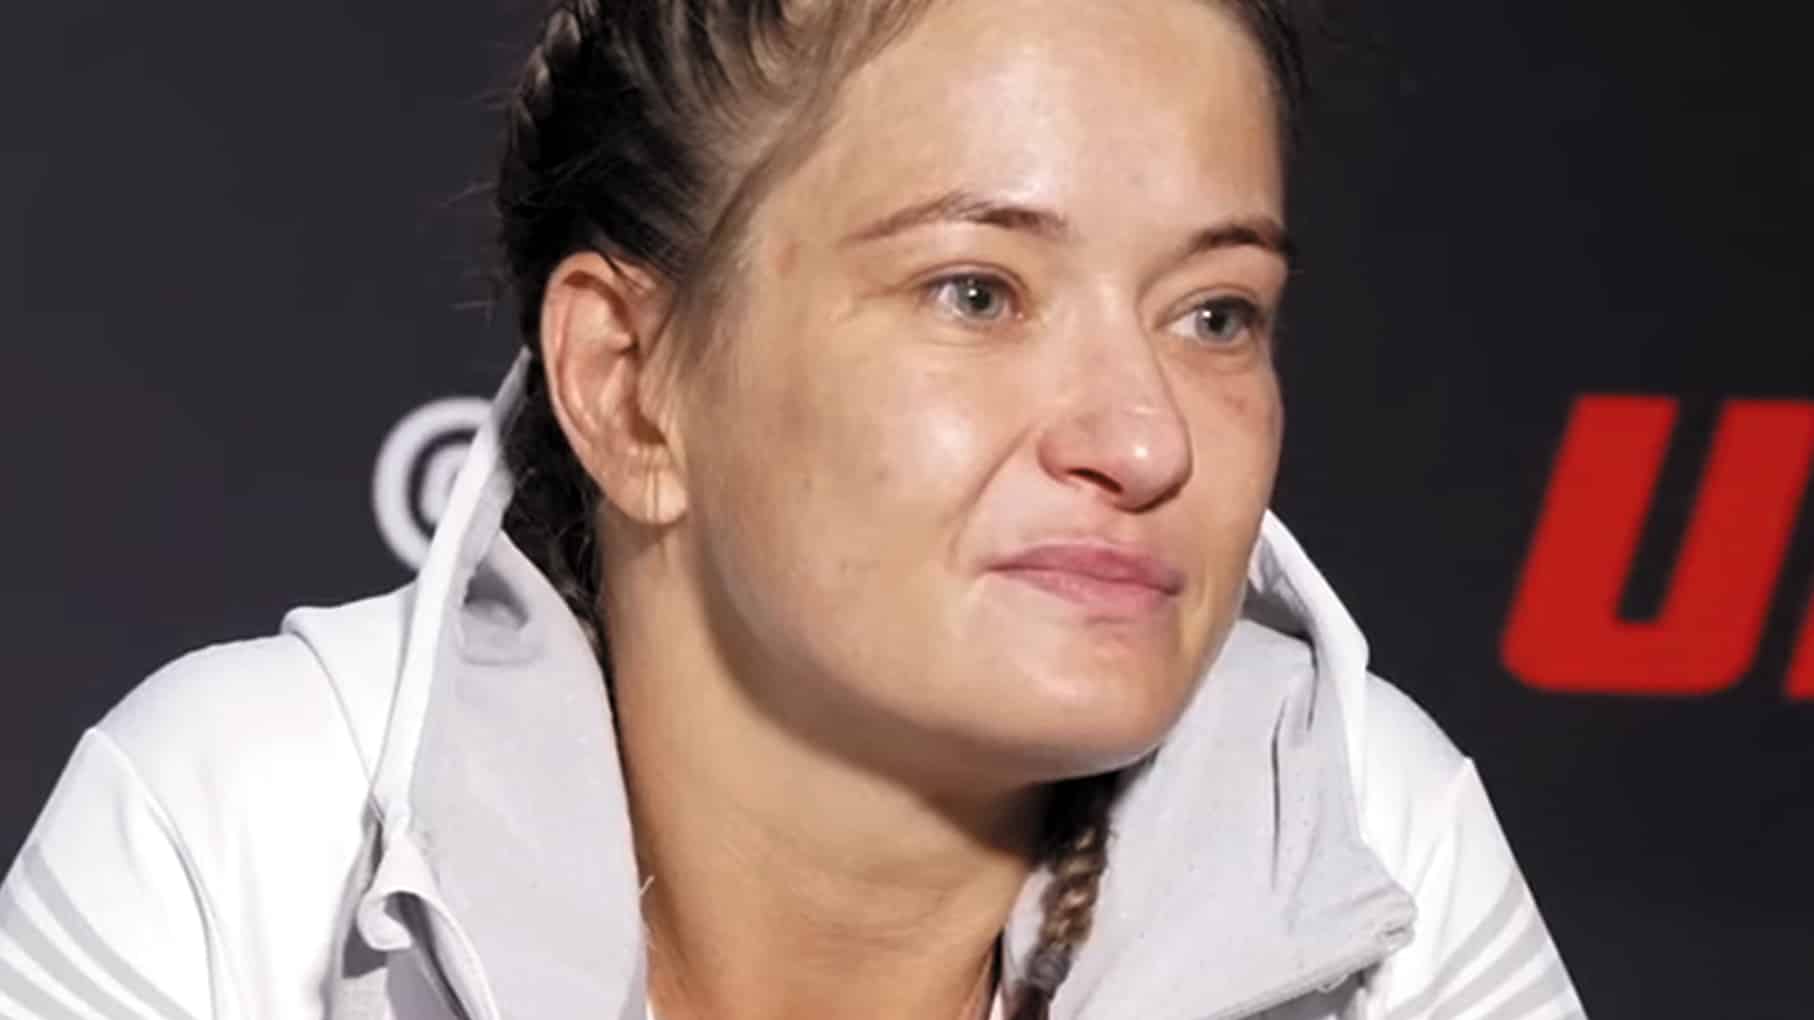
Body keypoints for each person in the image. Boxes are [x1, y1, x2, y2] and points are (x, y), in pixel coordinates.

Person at [0, 1, 1586, 1018]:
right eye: (976, 291)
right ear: (630, 385)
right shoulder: (250, 825)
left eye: (1215, 313)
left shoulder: (1358, 832)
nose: (1143, 437)